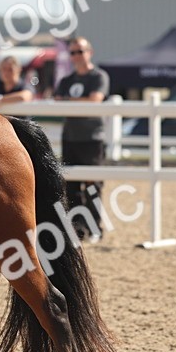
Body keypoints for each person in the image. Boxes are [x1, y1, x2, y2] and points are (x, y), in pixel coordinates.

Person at [54, 37, 110, 236]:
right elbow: (56, 101)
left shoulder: (98, 76)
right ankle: (78, 229)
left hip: (92, 137)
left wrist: (68, 100)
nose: (76, 56)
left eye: (80, 51)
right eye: (72, 52)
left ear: (90, 52)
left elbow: (95, 100)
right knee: (71, 185)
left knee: (93, 184)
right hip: (70, 137)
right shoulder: (66, 80)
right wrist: (74, 101)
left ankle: (95, 228)